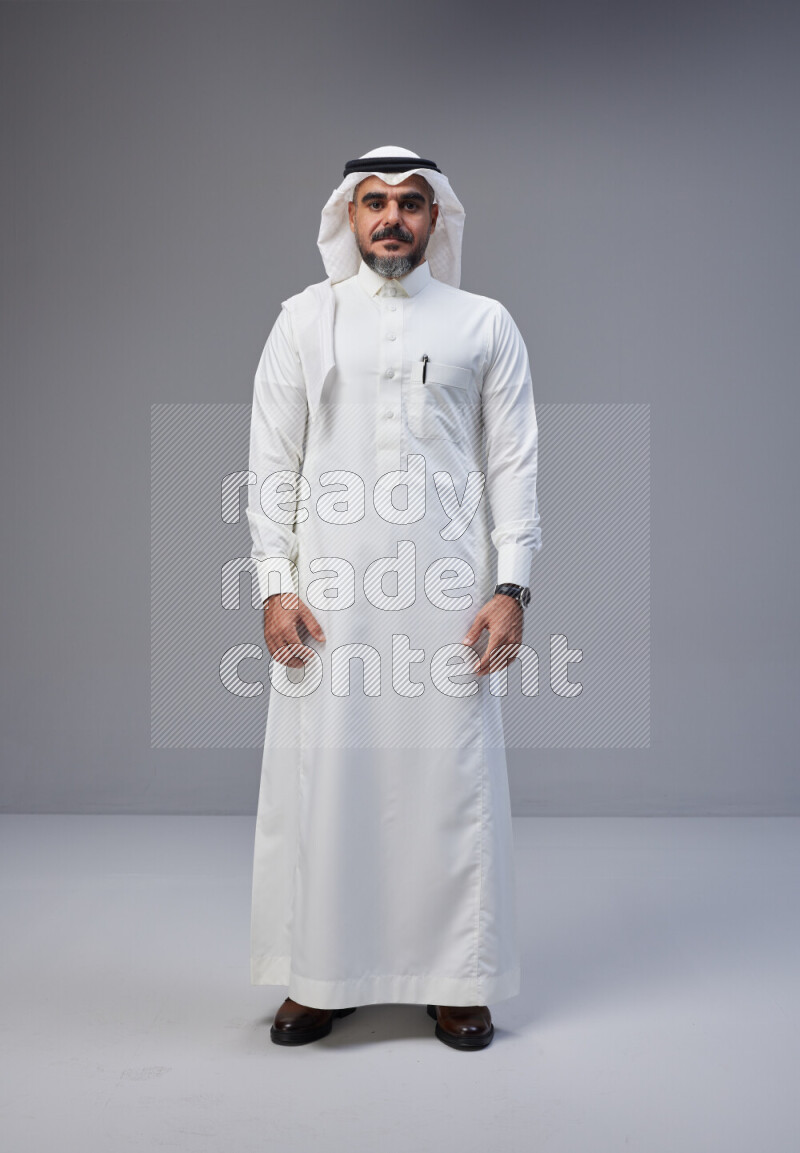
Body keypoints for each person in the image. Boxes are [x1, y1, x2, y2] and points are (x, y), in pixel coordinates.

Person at [246, 145, 541, 1050]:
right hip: (334, 593)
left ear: (436, 218)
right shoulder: (304, 320)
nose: (392, 219)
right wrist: (275, 583)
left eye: (411, 203)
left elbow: (514, 460)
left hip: (448, 593)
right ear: (348, 215)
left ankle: (457, 979)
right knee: (328, 778)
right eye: (374, 202)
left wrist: (511, 585)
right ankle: (320, 977)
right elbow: (271, 460)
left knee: (447, 782)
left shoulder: (483, 322)